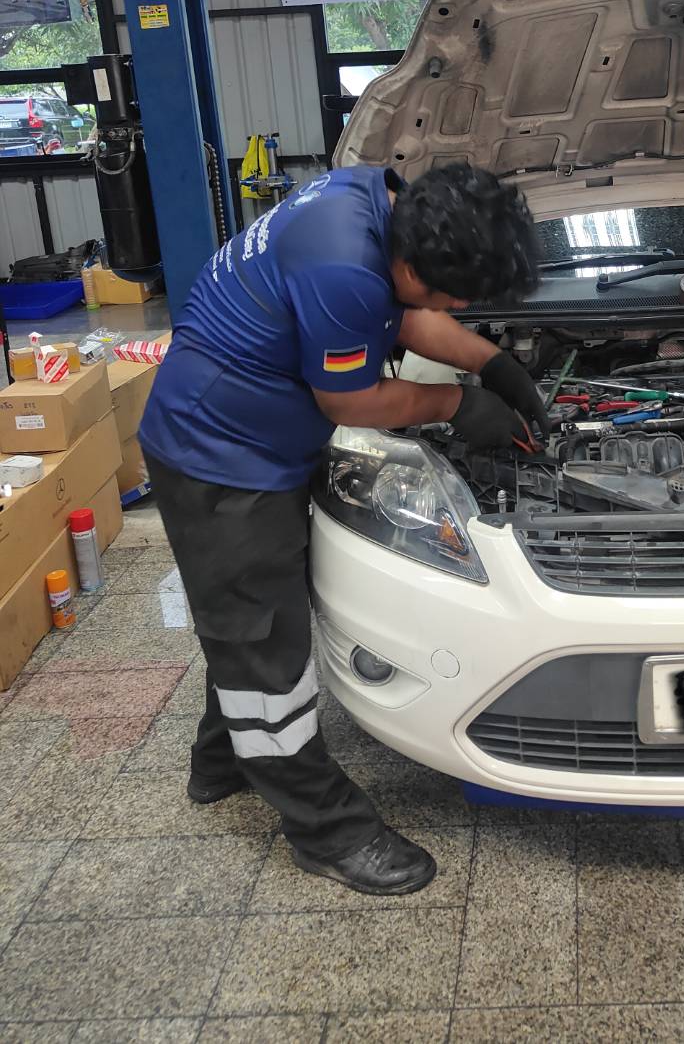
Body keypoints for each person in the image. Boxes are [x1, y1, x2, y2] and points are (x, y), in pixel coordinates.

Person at [139, 162, 546, 897]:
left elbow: (403, 312)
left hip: (255, 436)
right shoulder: (343, 268)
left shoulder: (375, 202)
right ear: (413, 263)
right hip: (219, 457)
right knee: (264, 646)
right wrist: (456, 404)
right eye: (457, 297)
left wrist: (492, 363)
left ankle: (221, 761)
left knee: (252, 621)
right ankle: (326, 830)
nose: (460, 307)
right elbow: (351, 400)